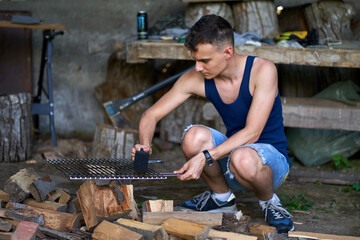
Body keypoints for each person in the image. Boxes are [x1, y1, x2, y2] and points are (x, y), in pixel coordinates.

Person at [131, 14, 294, 233]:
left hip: (271, 165)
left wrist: (205, 157)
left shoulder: (262, 71)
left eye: (204, 61)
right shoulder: (197, 78)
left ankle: (269, 202)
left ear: (227, 52)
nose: (198, 67)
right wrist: (145, 143)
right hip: (234, 159)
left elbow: (253, 133)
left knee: (243, 156)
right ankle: (222, 198)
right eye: (195, 60)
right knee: (193, 137)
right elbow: (151, 115)